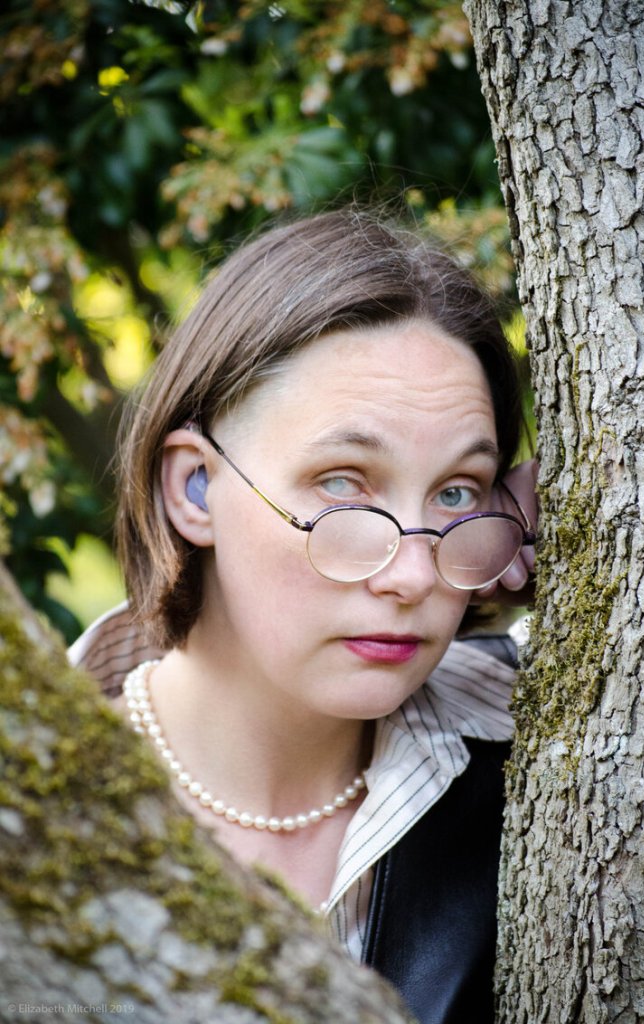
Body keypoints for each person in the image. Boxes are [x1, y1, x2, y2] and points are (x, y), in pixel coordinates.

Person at [70, 209, 537, 1024]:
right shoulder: (39, 803)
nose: (416, 574)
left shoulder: (546, 737)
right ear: (195, 488)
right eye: (342, 483)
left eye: (456, 492)